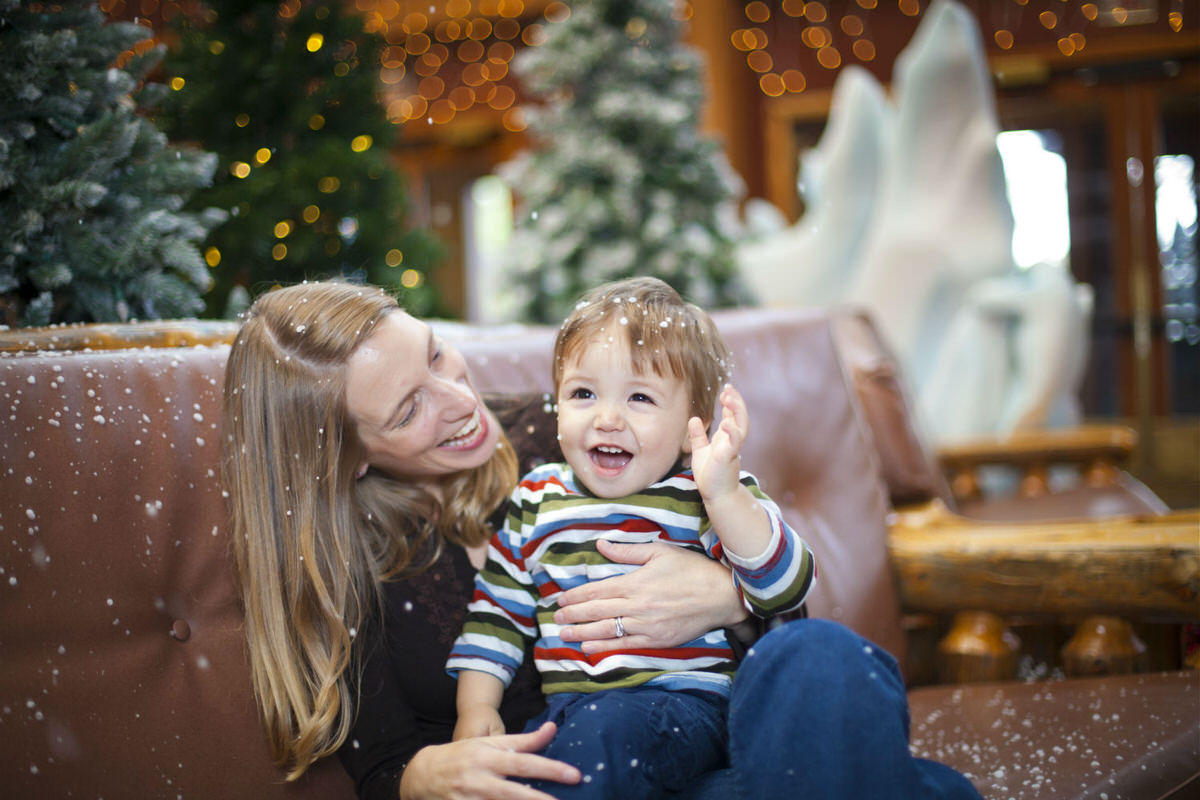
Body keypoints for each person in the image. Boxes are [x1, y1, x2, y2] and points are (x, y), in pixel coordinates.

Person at [222, 279, 983, 800]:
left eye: (435, 353)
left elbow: (784, 618)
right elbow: (387, 768)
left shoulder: (583, 428)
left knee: (821, 657)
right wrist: (430, 768)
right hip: (595, 767)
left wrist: (723, 595)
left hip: (728, 728)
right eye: (407, 409)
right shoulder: (343, 569)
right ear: (345, 456)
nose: (460, 400)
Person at [446, 277, 815, 797]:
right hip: (570, 714)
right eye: (583, 393)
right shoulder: (535, 499)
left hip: (685, 705)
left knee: (601, 742)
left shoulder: (705, 491)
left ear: (696, 424)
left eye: (640, 397)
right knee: (526, 768)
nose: (608, 418)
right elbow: (497, 614)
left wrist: (727, 497)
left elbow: (786, 587)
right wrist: (477, 709)